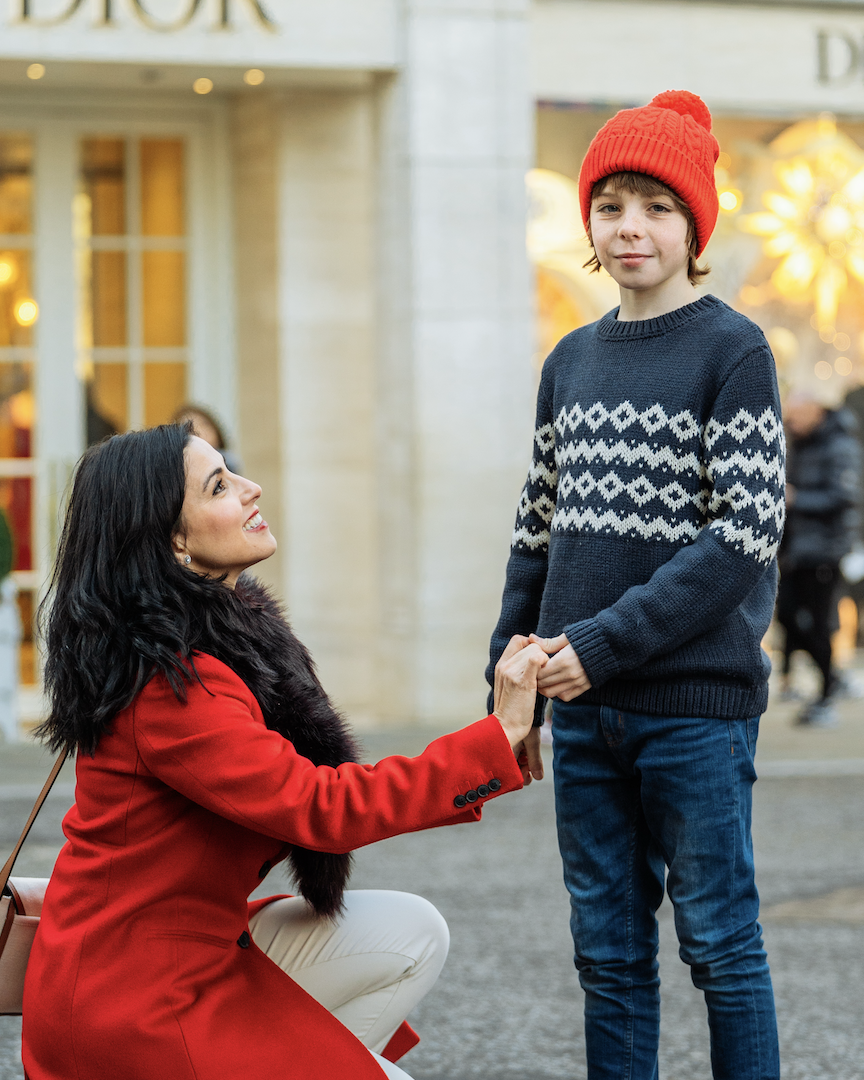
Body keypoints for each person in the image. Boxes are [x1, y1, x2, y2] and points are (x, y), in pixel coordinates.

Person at [22, 423, 547, 1080]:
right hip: (130, 1008)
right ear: (174, 540)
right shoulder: (171, 691)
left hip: (175, 953)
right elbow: (322, 806)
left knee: (415, 931)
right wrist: (494, 740)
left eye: (231, 471)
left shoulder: (210, 650)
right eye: (219, 485)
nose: (251, 489)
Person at [486, 91, 784, 1079]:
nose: (631, 227)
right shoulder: (570, 359)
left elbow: (743, 532)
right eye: (610, 204)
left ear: (694, 223)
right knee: (608, 958)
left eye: (657, 206)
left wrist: (601, 645)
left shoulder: (732, 350)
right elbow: (536, 533)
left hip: (694, 711)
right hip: (581, 709)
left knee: (720, 948)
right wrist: (511, 675)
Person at [776, 393, 860, 726]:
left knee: (820, 623)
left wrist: (796, 498)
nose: (790, 422)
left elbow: (845, 496)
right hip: (796, 549)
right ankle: (832, 678)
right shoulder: (799, 441)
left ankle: (827, 694)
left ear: (816, 411)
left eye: (796, 415)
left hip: (825, 550)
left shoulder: (840, 446)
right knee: (787, 617)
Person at [172, 402, 244, 474]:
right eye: (189, 428)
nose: (198, 431)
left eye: (203, 424)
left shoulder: (229, 463)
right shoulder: (177, 469)